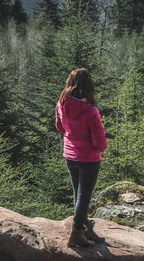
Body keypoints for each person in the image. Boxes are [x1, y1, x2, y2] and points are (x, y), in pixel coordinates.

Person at [55, 68, 108, 247]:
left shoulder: (61, 104)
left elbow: (60, 128)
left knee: (78, 193)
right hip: (88, 159)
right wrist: (103, 146)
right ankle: (77, 233)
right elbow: (100, 142)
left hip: (70, 156)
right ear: (89, 86)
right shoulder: (91, 111)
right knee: (84, 196)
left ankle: (85, 228)